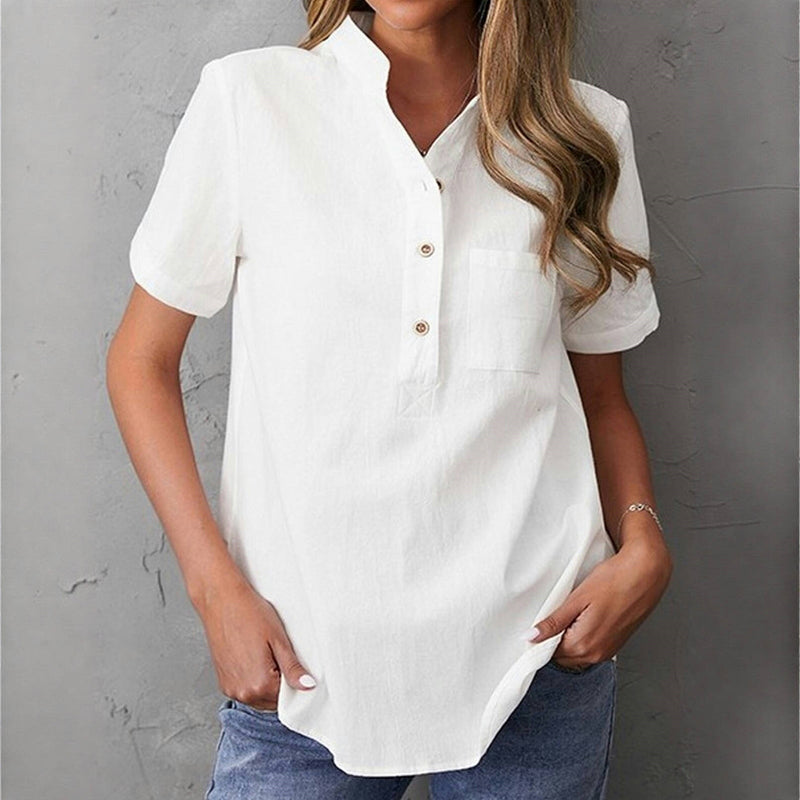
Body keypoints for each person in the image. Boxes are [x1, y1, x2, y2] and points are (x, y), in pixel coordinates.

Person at [106, 0, 674, 796]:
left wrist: (642, 540)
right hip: (301, 663)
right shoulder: (251, 100)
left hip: (538, 660)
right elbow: (139, 361)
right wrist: (214, 590)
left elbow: (602, 396)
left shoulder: (583, 132)